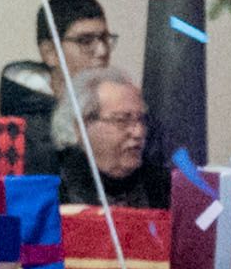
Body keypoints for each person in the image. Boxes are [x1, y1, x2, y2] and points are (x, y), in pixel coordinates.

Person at [54, 68, 170, 209]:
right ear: (81, 127)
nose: (138, 132)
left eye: (141, 119)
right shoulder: (55, 188)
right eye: (122, 120)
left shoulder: (163, 186)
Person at [0, 0, 119, 126]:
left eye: (104, 39)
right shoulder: (28, 124)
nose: (102, 51)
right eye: (85, 41)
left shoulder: (122, 109)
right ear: (51, 53)